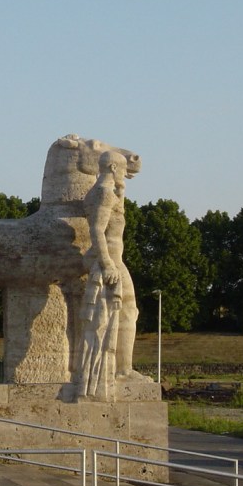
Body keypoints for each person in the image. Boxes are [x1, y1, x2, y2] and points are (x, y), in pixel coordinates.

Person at [75, 150, 141, 400]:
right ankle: (123, 370)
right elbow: (97, 230)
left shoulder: (102, 191)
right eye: (122, 169)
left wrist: (120, 194)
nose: (125, 173)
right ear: (113, 167)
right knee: (127, 311)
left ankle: (123, 368)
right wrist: (107, 264)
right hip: (112, 261)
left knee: (127, 312)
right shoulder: (103, 192)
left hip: (113, 259)